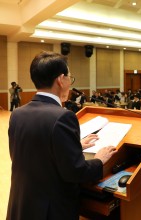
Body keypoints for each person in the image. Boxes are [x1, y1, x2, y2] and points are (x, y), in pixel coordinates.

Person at [6, 51, 117, 220]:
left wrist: (75, 146)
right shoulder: (63, 116)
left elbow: (25, 154)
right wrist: (100, 160)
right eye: (70, 78)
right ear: (60, 79)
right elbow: (75, 172)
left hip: (23, 205)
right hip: (50, 210)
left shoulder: (18, 114)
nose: (70, 84)